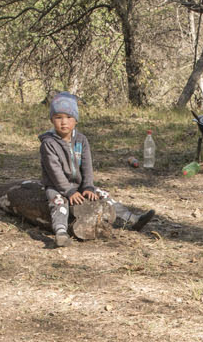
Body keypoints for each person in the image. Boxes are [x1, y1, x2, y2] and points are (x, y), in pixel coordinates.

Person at [39, 92, 152, 248]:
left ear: (76, 120)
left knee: (104, 195)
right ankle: (61, 233)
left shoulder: (81, 140)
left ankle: (132, 219)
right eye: (58, 117)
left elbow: (87, 166)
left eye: (68, 117)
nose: (63, 122)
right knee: (58, 203)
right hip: (57, 186)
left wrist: (88, 186)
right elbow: (54, 171)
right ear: (52, 119)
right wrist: (68, 191)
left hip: (79, 185)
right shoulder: (49, 143)